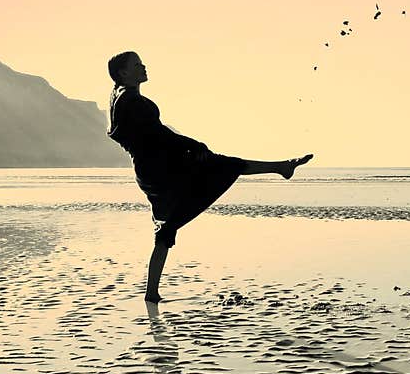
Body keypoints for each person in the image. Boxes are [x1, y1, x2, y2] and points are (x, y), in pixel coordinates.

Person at [106, 51, 313, 303]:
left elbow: (144, 135)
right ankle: (281, 167)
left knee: (169, 224)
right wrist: (194, 145)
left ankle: (151, 292)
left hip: (153, 166)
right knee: (222, 167)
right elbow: (158, 135)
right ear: (123, 73)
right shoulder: (130, 100)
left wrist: (189, 147)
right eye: (137, 65)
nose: (144, 67)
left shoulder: (120, 97)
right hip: (161, 166)